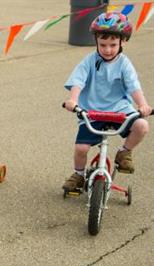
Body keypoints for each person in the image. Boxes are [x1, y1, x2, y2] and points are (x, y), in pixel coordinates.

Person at [62, 12, 151, 192]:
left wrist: (143, 105)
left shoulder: (125, 64)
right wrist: (73, 100)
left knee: (142, 126)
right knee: (81, 148)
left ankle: (124, 152)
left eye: (112, 45)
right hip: (92, 112)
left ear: (123, 42)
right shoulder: (89, 61)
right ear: (96, 41)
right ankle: (78, 175)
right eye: (103, 45)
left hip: (120, 110)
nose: (107, 49)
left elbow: (134, 86)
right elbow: (78, 81)